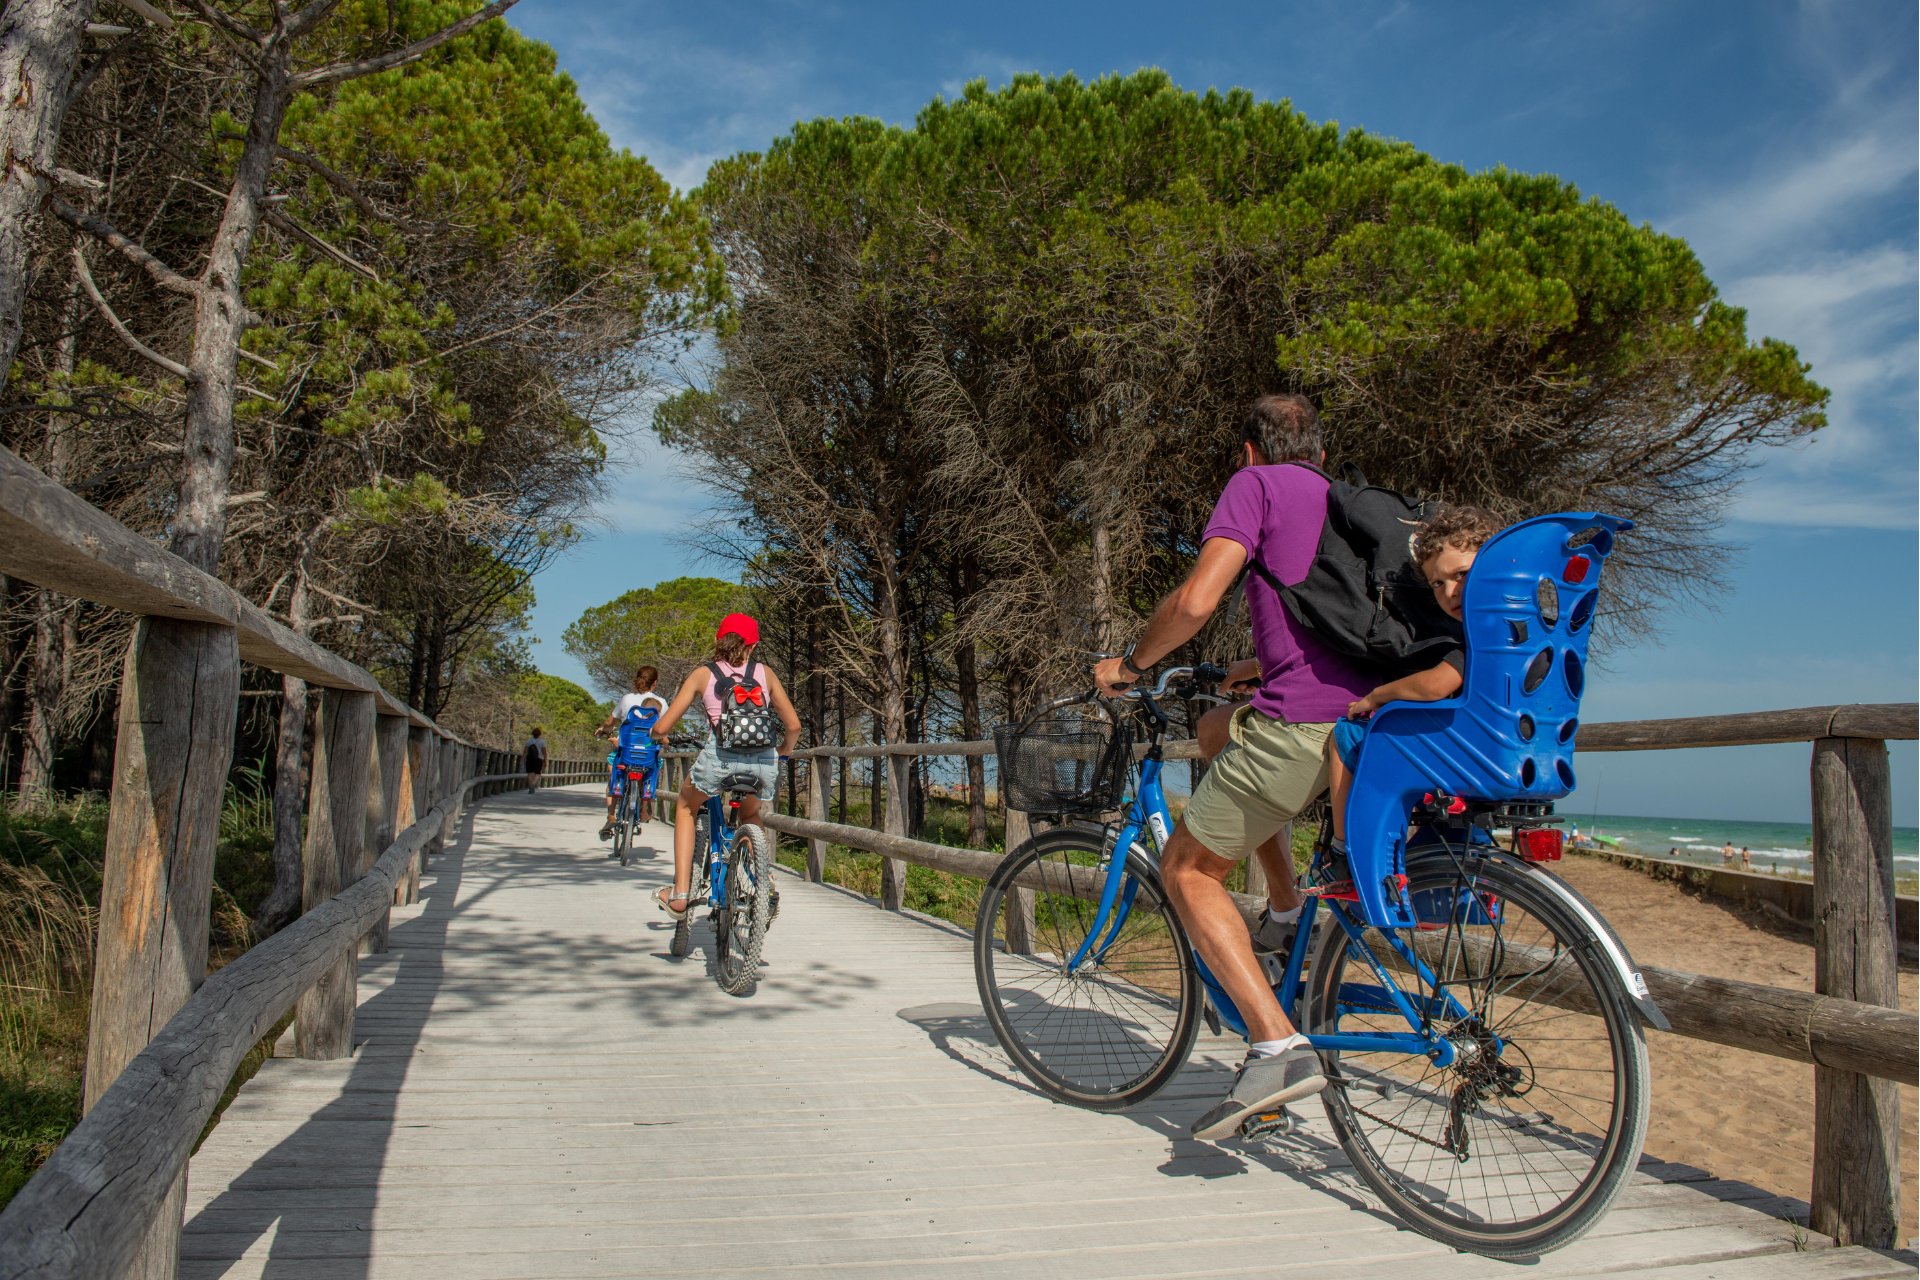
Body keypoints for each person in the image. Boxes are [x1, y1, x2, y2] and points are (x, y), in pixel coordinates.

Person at [1093, 392, 1368, 1142]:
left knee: (1186, 870)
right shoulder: (1346, 502)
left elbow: (1196, 600)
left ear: (1250, 451)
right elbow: (1337, 625)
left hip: (1303, 726)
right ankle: (1285, 908)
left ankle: (1277, 1048)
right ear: (1320, 451)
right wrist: (1253, 667)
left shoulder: (1256, 484)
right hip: (1366, 720)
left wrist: (1130, 665)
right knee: (1217, 729)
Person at [1324, 505, 1502, 851]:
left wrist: (1376, 696)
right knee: (1448, 852)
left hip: (1466, 756)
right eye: (1438, 582)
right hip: (1506, 756)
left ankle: (1345, 849)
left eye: (1461, 574)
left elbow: (1435, 684)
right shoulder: (1529, 629)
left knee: (1347, 736)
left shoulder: (1485, 637)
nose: (1450, 591)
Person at [649, 613, 801, 919]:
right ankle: (765, 884)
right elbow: (794, 726)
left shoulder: (702, 674)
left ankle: (680, 894)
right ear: (753, 646)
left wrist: (656, 734)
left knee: (686, 807)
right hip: (763, 762)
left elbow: (662, 727)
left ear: (718, 640)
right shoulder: (765, 673)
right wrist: (782, 753)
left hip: (719, 759)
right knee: (751, 814)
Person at [596, 666, 669, 839]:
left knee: (615, 773)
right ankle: (644, 809)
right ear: (655, 682)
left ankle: (611, 815)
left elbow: (610, 722)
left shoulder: (626, 699)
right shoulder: (661, 703)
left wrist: (604, 729)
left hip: (626, 752)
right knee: (649, 768)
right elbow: (664, 729)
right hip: (648, 754)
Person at [522, 727, 547, 794]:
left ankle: (531, 789)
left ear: (533, 733)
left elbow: (525, 751)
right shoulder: (542, 741)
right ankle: (534, 782)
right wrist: (545, 760)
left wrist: (522, 760)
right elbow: (544, 752)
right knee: (538, 773)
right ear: (540, 734)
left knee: (529, 773)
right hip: (538, 759)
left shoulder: (529, 741)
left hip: (529, 759)